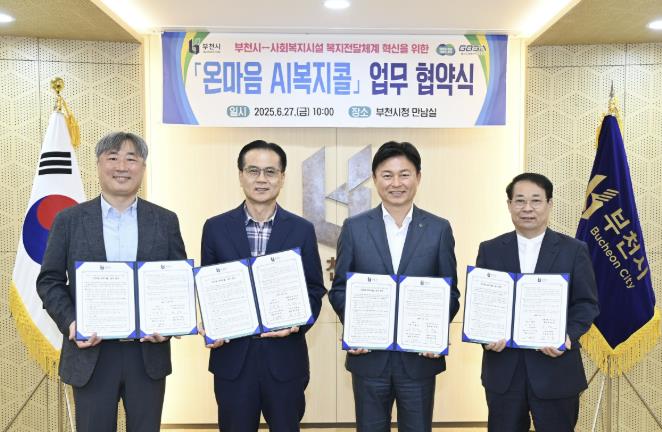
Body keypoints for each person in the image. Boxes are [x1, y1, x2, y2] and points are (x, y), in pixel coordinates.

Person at [37, 132, 187, 432]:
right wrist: (72, 323)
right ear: (98, 165)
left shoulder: (165, 220)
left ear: (143, 167)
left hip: (147, 354)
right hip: (90, 352)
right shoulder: (69, 220)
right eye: (113, 157)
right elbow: (49, 280)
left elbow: (177, 280)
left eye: (131, 159)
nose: (122, 166)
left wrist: (170, 324)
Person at [329, 141, 460, 432]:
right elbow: (339, 290)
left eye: (404, 174)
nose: (396, 183)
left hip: (419, 360)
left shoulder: (439, 229)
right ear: (375, 179)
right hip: (369, 358)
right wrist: (356, 328)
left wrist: (435, 332)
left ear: (418, 177)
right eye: (387, 175)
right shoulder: (354, 227)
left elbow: (450, 292)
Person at [201, 139, 326, 431]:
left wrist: (295, 324)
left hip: (285, 361)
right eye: (253, 170)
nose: (261, 179)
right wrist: (211, 323)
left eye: (270, 172)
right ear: (240, 175)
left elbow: (314, 289)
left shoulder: (302, 230)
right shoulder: (215, 228)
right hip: (233, 360)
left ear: (282, 177)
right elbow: (208, 287)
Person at [476, 172, 599, 432]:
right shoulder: (490, 249)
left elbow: (586, 304)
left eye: (536, 200)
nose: (527, 208)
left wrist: (566, 336)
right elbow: (482, 304)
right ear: (509, 205)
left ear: (549, 204)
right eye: (520, 201)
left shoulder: (574, 250)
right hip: (504, 373)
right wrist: (484, 335)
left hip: (556, 371)